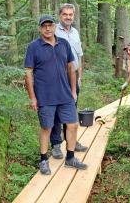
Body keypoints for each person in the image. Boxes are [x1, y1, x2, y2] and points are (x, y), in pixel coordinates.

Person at [24, 14, 87, 175]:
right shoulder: (33, 47)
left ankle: (70, 158)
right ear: (40, 28)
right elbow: (28, 74)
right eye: (44, 25)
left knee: (72, 125)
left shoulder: (64, 44)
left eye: (50, 25)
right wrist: (32, 97)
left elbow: (71, 68)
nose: (47, 28)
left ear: (54, 26)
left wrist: (73, 91)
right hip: (45, 96)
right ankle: (44, 160)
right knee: (47, 127)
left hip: (65, 94)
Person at [50, 3, 87, 160]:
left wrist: (79, 77)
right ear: (60, 15)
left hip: (74, 76)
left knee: (71, 110)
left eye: (70, 14)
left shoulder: (75, 33)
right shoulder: (53, 31)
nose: (68, 17)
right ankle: (56, 145)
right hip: (59, 77)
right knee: (57, 111)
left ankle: (72, 142)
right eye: (65, 14)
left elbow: (79, 56)